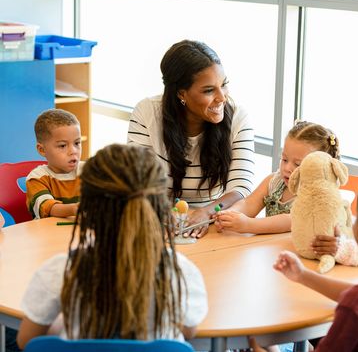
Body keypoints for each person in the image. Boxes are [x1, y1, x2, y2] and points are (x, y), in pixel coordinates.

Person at [17, 144, 208, 349]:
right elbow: (188, 331)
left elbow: (27, 341)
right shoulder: (180, 272)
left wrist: (63, 324)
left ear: (87, 209)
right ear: (160, 208)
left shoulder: (60, 271)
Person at [128, 39, 255, 238]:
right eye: (208, 90)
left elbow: (241, 188)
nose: (221, 97)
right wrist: (161, 211)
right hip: (159, 219)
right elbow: (138, 180)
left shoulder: (239, 117)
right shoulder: (147, 113)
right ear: (182, 93)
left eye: (224, 85)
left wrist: (207, 212)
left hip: (215, 220)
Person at [249, 184, 358, 352]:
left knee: (261, 341)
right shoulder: (356, 299)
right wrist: (303, 276)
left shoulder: (353, 307)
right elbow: (355, 294)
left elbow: (355, 301)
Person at [215, 121, 340, 236]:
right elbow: (249, 203)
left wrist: (248, 224)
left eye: (297, 164)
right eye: (284, 159)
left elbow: (292, 220)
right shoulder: (275, 181)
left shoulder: (318, 195)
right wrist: (230, 214)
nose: (287, 168)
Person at [26, 109, 83, 219]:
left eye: (77, 143)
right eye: (62, 146)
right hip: (46, 234)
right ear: (42, 150)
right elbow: (47, 207)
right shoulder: (37, 178)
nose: (73, 151)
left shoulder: (88, 171)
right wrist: (74, 209)